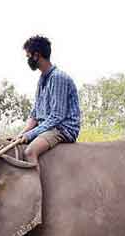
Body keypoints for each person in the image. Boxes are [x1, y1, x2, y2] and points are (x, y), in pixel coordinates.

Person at [14, 35, 81, 165]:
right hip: (48, 127)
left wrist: (30, 135)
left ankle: (35, 186)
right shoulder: (42, 79)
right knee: (17, 146)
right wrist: (21, 134)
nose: (27, 60)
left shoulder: (58, 78)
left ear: (36, 55)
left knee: (29, 152)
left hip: (62, 128)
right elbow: (35, 114)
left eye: (28, 56)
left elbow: (57, 116)